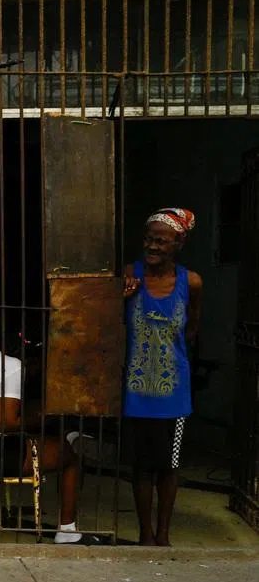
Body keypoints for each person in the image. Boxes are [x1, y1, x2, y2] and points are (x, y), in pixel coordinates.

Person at [0, 331, 84, 544]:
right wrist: (41, 417)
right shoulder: (12, 367)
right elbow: (7, 423)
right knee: (70, 457)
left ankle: (61, 438)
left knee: (48, 435)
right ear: (33, 360)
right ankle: (67, 529)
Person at [123, 207, 202, 546]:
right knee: (141, 466)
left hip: (174, 393)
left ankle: (164, 535)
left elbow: (193, 329)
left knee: (169, 466)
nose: (152, 247)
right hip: (136, 392)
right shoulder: (130, 275)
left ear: (179, 243)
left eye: (161, 241)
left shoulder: (192, 282)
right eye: (148, 239)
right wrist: (120, 297)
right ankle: (144, 535)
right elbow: (110, 327)